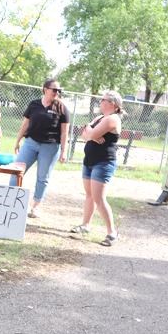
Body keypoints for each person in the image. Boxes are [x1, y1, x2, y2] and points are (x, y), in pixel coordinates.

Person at [70, 90, 123, 246]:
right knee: (89, 195)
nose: (100, 101)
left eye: (103, 99)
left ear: (112, 104)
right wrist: (91, 134)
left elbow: (91, 133)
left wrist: (92, 133)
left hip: (103, 162)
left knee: (99, 198)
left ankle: (112, 233)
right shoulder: (100, 117)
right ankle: (85, 225)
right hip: (89, 161)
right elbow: (85, 133)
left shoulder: (112, 119)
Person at [11, 79, 69, 218]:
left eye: (59, 91)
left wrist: (63, 151)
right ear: (45, 89)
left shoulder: (62, 108)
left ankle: (35, 207)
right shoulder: (34, 104)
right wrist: (18, 140)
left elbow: (64, 132)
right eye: (54, 90)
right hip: (31, 143)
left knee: (43, 178)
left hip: (50, 147)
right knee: (16, 171)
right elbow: (25, 125)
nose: (57, 93)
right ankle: (11, 200)